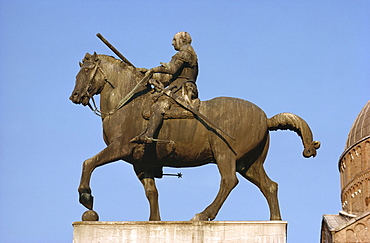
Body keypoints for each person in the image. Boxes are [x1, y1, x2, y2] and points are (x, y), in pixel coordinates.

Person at [131, 31, 199, 144]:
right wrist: (147, 73)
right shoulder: (185, 53)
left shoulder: (185, 52)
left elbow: (172, 69)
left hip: (182, 89)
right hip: (177, 86)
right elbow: (168, 77)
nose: (172, 43)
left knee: (160, 105)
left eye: (174, 40)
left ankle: (149, 135)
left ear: (182, 40)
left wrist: (154, 70)